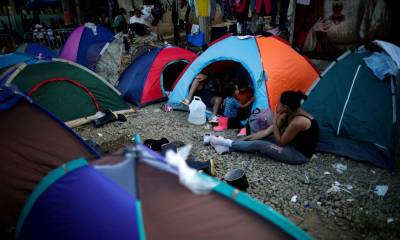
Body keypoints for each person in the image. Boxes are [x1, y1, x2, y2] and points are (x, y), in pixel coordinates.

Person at [206, 91, 319, 164]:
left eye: (280, 103)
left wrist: (275, 121)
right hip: (288, 145)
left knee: (261, 145)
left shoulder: (299, 121)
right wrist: (244, 138)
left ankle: (224, 142)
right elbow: (265, 132)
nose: (277, 105)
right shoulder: (286, 114)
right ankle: (227, 147)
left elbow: (280, 143)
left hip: (298, 155)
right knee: (259, 138)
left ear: (286, 106)